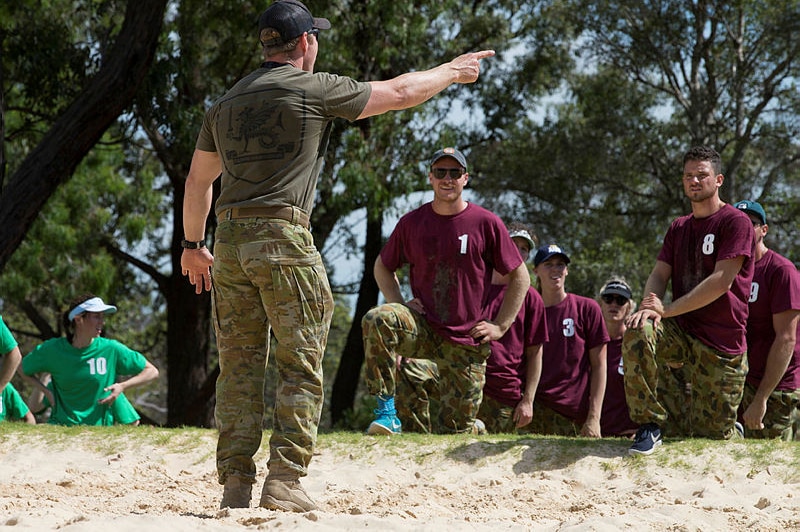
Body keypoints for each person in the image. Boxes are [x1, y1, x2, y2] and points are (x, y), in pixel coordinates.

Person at [178, 0, 495, 513]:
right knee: (300, 362)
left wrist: (194, 247)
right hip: (284, 236)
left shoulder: (227, 103)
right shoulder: (312, 87)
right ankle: (283, 479)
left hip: (230, 242)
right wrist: (453, 71)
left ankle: (235, 483)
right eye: (315, 38)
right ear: (305, 43)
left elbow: (198, 181)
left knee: (237, 367)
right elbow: (399, 92)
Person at [362, 147, 531, 436]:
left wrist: (501, 326)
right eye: (440, 172)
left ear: (465, 179)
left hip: (467, 341)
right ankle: (387, 413)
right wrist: (400, 304)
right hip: (425, 328)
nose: (447, 179)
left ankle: (473, 427)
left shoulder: (486, 222)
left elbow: (521, 277)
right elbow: (382, 266)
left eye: (455, 173)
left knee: (455, 433)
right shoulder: (411, 223)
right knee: (378, 318)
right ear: (430, 178)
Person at [623, 146, 755, 456]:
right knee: (637, 331)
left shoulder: (735, 222)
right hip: (681, 331)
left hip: (721, 343)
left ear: (718, 179)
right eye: (688, 176)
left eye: (702, 175)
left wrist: (666, 309)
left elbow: (721, 282)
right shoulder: (678, 227)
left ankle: (729, 427)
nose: (694, 181)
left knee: (712, 440)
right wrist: (648, 306)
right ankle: (649, 426)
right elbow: (659, 273)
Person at [21, 294, 159, 426]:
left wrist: (123, 386)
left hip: (97, 435)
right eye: (96, 316)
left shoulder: (111, 349)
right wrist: (46, 391)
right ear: (78, 319)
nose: (102, 322)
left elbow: (152, 371)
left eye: (102, 317)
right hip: (60, 432)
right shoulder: (52, 349)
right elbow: (21, 369)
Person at [733, 200, 800, 440]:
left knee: (767, 468)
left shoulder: (781, 271)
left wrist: (761, 398)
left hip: (775, 389)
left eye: (750, 224)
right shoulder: (729, 269)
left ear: (764, 230)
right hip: (740, 382)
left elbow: (787, 339)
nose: (744, 230)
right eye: (737, 224)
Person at [527, 244, 608, 437]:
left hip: (573, 416)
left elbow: (599, 366)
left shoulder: (587, 308)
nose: (555, 269)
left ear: (567, 270)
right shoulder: (527, 311)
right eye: (548, 264)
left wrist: (594, 418)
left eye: (560, 264)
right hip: (533, 414)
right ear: (536, 270)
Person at [477, 224, 548, 433]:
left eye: (524, 249)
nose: (517, 251)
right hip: (465, 383)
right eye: (512, 244)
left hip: (504, 394)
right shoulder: (475, 283)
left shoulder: (532, 297)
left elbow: (535, 352)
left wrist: (528, 401)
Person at [597, 278, 638, 438]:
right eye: (608, 299)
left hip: (629, 435)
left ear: (629, 308)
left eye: (621, 300)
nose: (613, 304)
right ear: (600, 304)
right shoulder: (590, 344)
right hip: (594, 434)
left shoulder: (637, 344)